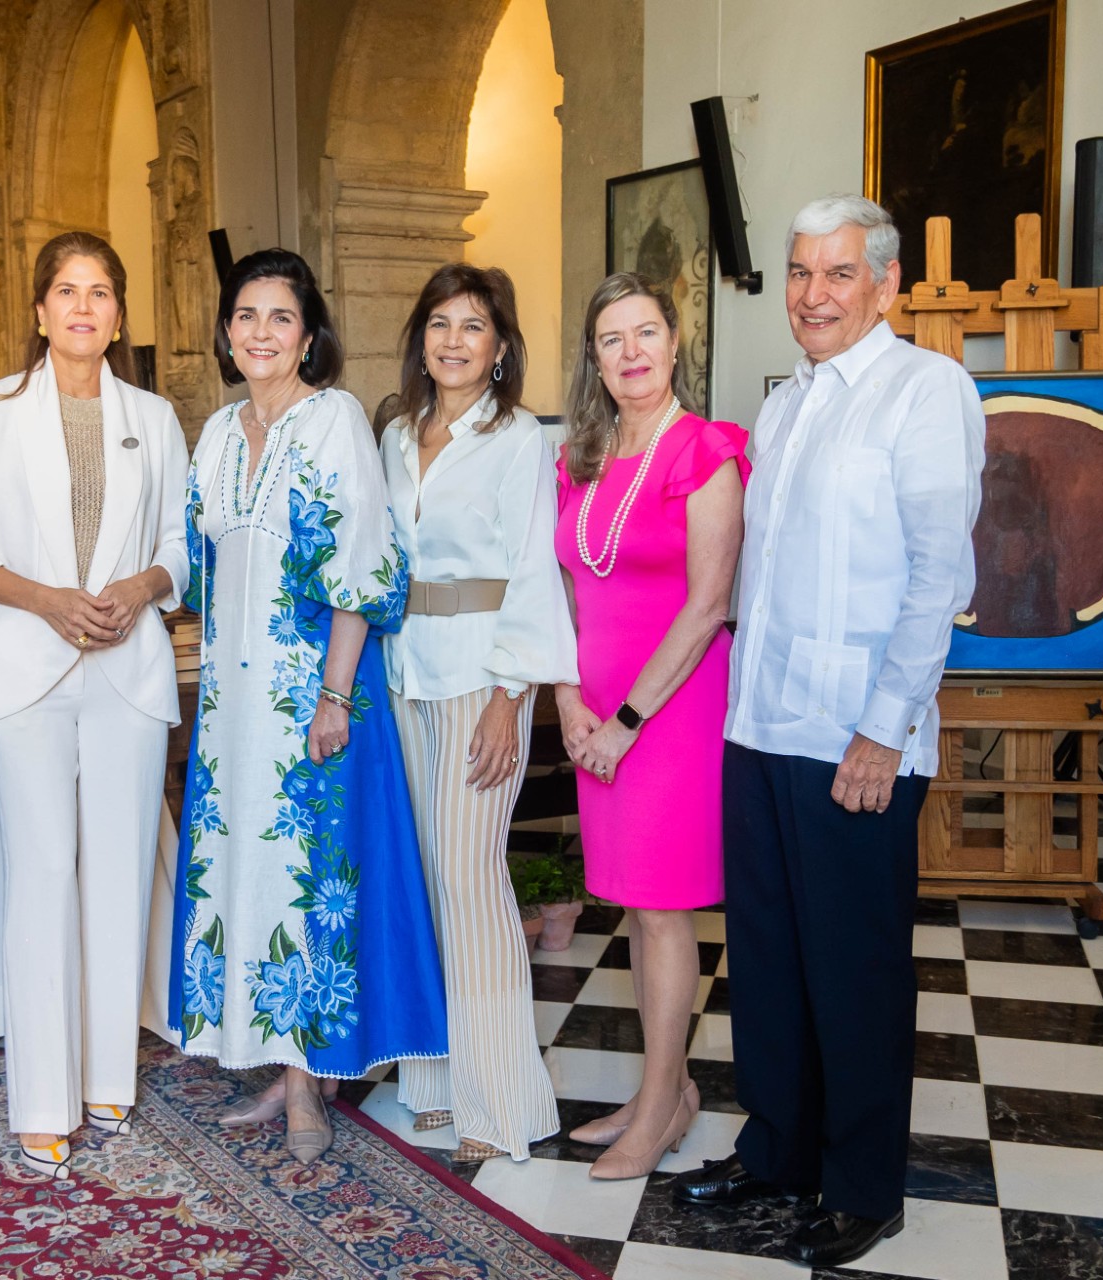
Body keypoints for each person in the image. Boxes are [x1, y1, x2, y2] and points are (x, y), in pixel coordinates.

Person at [669, 195, 983, 1269]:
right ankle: (777, 1151)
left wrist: (886, 730)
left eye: (838, 273)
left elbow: (939, 577)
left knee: (853, 967)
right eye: (801, 272)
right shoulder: (784, 405)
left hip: (855, 734)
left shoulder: (926, 390)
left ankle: (859, 1185)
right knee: (766, 959)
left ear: (886, 286)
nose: (812, 294)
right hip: (762, 724)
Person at [168, 248, 448, 1164]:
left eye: (280, 317)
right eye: (246, 316)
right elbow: (202, 571)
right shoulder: (216, 433)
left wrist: (333, 696)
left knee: (306, 876)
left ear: (308, 335)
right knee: (248, 874)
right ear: (226, 332)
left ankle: (306, 1084)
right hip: (233, 707)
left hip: (312, 695)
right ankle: (268, 1058)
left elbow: (363, 565)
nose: (261, 333)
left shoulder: (333, 423)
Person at [0, 231, 189, 1174]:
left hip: (128, 670)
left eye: (101, 292)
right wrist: (45, 599)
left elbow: (181, 544)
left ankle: (108, 1073)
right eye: (67, 291)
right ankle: (43, 1097)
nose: (84, 307)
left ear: (118, 315)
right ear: (40, 312)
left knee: (118, 874)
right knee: (42, 873)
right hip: (28, 671)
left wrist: (142, 585)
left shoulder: (153, 416)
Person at [552, 273, 747, 1181]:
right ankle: (661, 1089)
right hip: (594, 712)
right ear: (594, 360)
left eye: (646, 333)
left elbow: (708, 605)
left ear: (675, 342)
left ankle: (663, 1108)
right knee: (635, 904)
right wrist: (569, 701)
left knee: (665, 910)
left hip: (668, 711)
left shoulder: (705, 451)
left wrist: (627, 721)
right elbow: (562, 591)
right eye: (611, 339)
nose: (631, 353)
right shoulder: (581, 458)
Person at [380, 264, 575, 1162]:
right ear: (420, 337)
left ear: (500, 347)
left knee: (471, 879)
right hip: (402, 674)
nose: (453, 340)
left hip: (480, 676)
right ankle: (432, 1083)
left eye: (473, 326)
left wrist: (510, 694)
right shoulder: (395, 434)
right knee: (422, 879)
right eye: (440, 324)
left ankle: (500, 1105)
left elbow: (533, 568)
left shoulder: (517, 438)